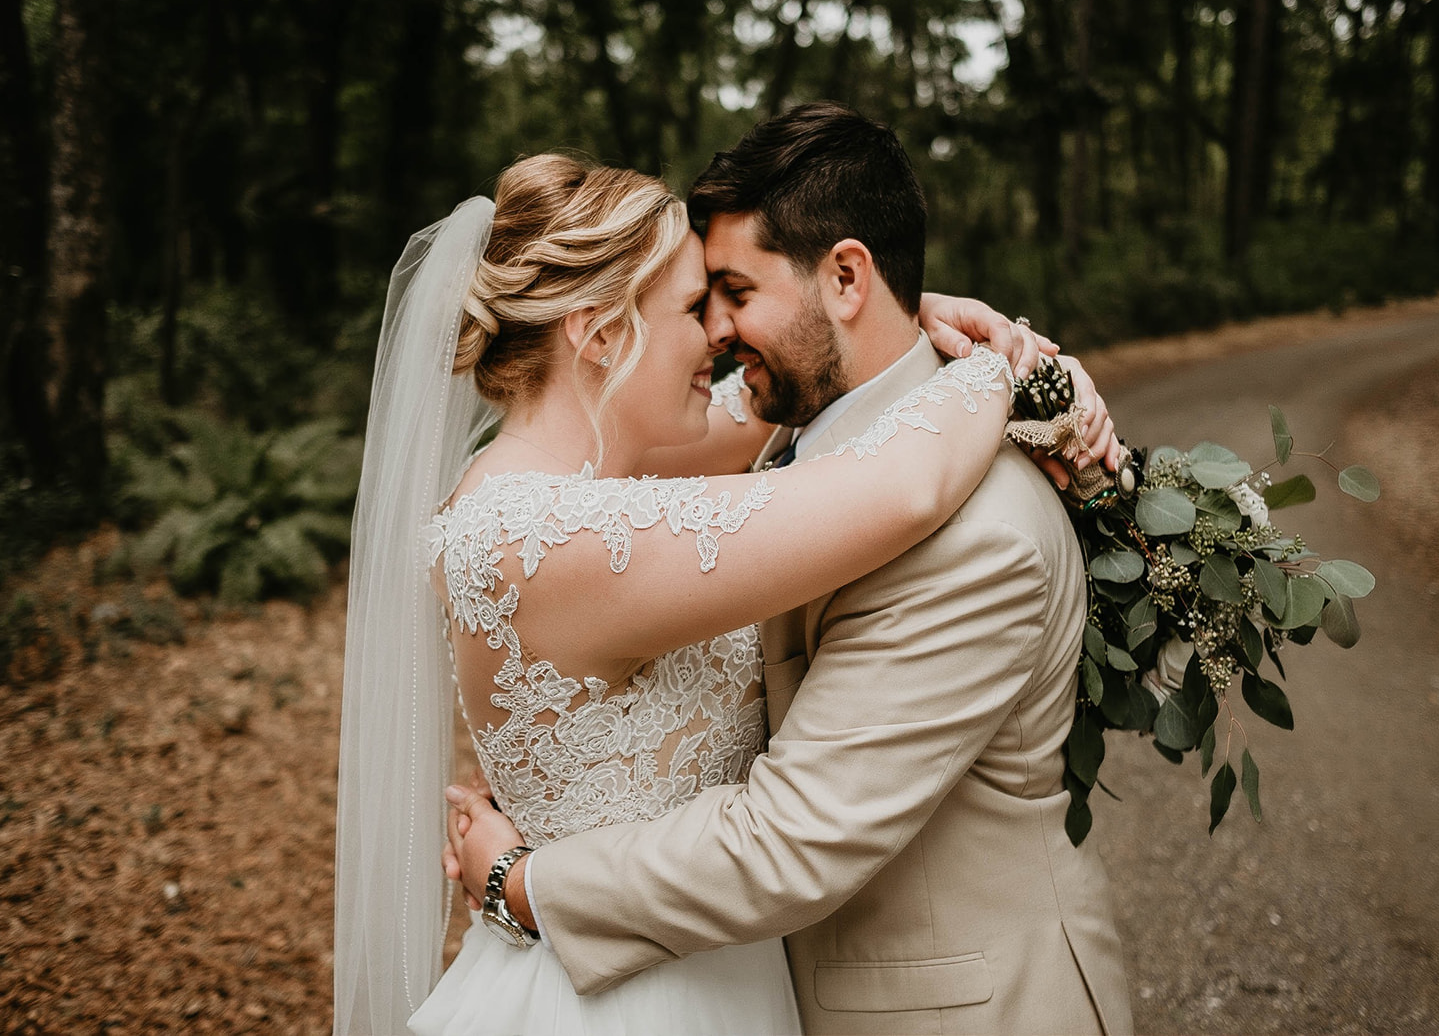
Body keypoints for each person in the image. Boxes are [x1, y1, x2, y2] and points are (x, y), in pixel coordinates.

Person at [334, 148, 1115, 1035]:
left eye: (727, 300)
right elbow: (903, 486)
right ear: (598, 336)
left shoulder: (601, 475)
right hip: (625, 998)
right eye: (695, 308)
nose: (718, 336)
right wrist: (1006, 365)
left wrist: (909, 315)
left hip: (716, 974)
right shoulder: (533, 534)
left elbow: (802, 378)